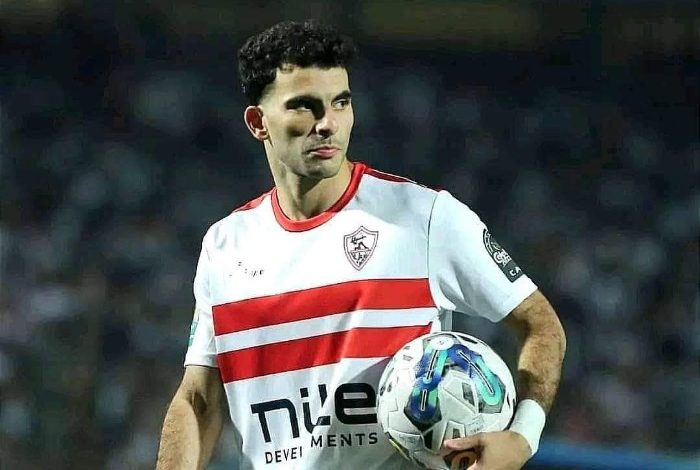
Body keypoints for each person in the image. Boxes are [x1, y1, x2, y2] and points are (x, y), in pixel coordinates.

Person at [156, 20, 566, 470]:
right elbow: (198, 400)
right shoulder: (224, 246)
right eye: (305, 107)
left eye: (341, 102)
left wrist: (523, 437)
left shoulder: (425, 218)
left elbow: (541, 325)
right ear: (258, 123)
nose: (327, 124)